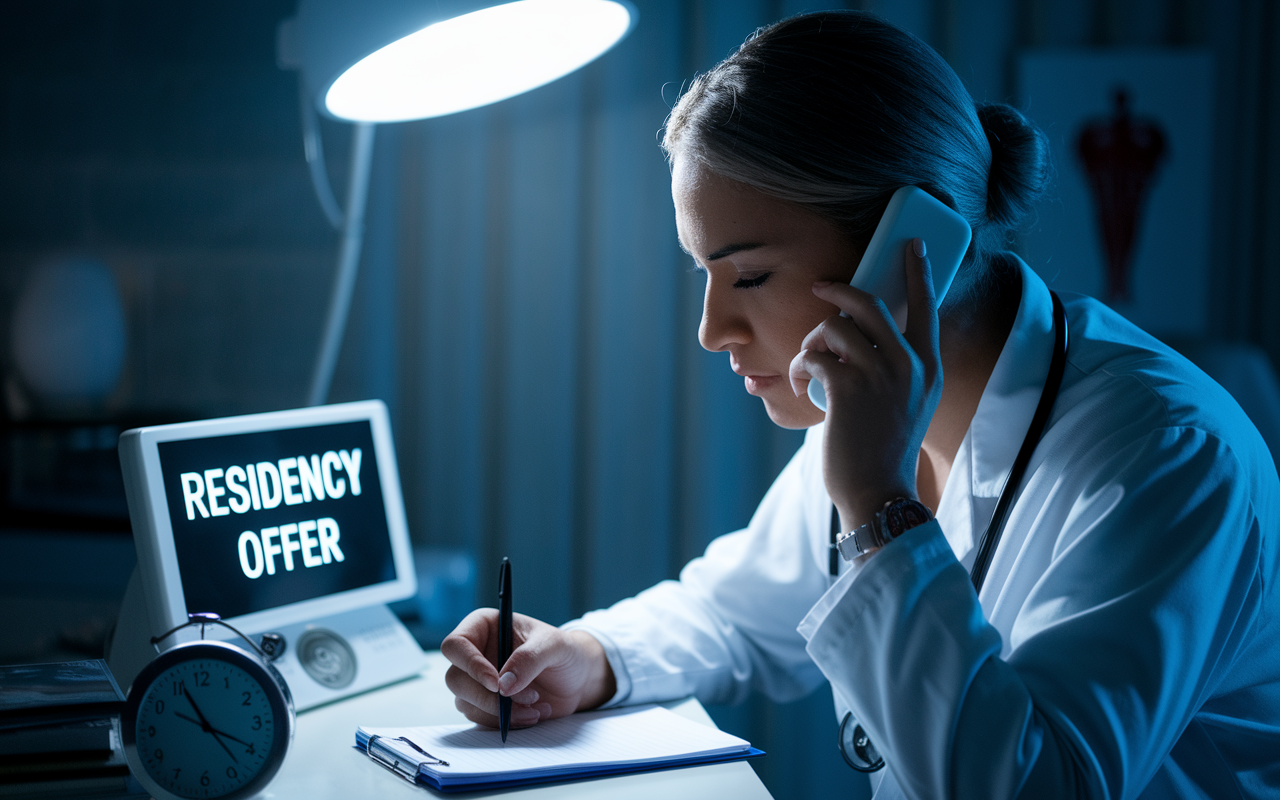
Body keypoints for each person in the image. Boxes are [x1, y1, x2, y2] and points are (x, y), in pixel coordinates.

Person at [442, 11, 1280, 799]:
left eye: (751, 276)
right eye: (707, 275)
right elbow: (737, 613)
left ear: (911, 245)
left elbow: (1037, 783)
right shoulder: (874, 401)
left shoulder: (1168, 453)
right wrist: (586, 657)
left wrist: (878, 503)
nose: (711, 330)